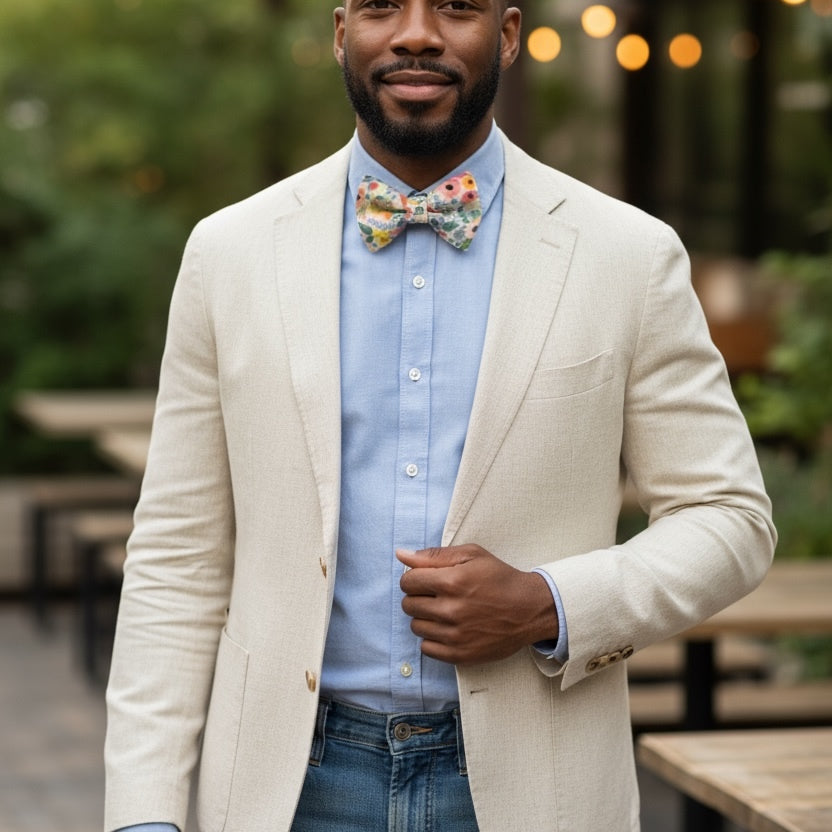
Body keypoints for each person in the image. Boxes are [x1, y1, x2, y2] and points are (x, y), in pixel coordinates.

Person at [104, 1, 776, 830]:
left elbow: (730, 518)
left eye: (455, 5)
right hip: (285, 789)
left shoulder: (627, 255)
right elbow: (177, 555)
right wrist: (143, 812)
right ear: (342, 29)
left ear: (506, 33)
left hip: (539, 787)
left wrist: (548, 602)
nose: (417, 32)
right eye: (384, 5)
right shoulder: (230, 253)